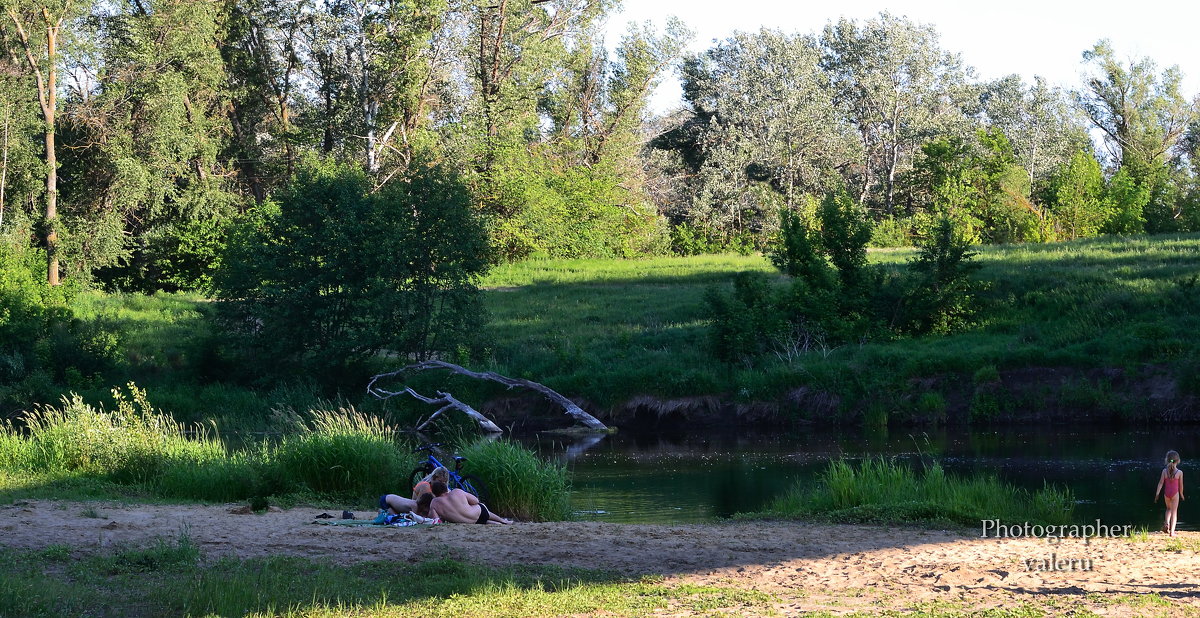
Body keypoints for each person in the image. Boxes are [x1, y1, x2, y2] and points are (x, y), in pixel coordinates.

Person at [428, 480, 512, 525]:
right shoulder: (456, 491)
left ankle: (497, 523)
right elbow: (476, 501)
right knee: (481, 506)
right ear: (444, 487)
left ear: (435, 492)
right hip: (478, 514)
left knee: (475, 520)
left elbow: (436, 521)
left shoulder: (434, 503)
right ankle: (503, 521)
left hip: (468, 523)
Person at [1154, 450, 1185, 537]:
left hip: (1166, 494)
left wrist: (1157, 494)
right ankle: (1172, 532)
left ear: (1167, 460)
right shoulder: (1179, 472)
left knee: (1168, 509)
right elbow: (1181, 486)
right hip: (1175, 494)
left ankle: (1166, 523)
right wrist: (1181, 494)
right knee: (1174, 512)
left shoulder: (1164, 471)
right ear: (1178, 460)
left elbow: (1160, 483)